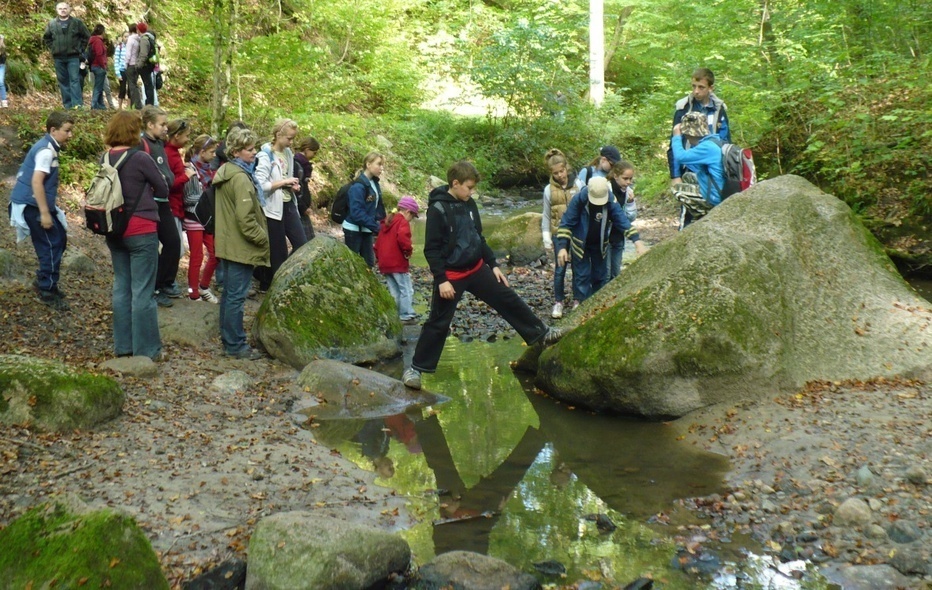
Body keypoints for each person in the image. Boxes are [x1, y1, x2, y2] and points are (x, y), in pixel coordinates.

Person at [402, 161, 563, 390]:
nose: (472, 192)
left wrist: (493, 264)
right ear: (455, 183)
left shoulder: (469, 205)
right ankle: (415, 369)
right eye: (469, 187)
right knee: (438, 322)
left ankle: (541, 334)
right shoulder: (438, 210)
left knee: (507, 297)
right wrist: (441, 280)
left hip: (477, 268)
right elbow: (431, 250)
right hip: (451, 276)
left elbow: (479, 238)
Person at [102, 111, 168, 360]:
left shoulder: (105, 157)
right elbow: (163, 186)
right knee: (143, 291)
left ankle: (123, 347)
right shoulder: (140, 157)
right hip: (141, 230)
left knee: (121, 287)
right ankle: (147, 351)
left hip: (114, 230)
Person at [213, 127, 269, 359]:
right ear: (236, 152)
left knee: (229, 294)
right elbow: (245, 219)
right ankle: (235, 345)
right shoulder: (241, 178)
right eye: (250, 149)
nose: (254, 153)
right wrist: (263, 237)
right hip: (239, 246)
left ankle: (229, 340)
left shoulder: (226, 171)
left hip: (228, 243)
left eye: (254, 148)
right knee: (236, 296)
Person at [8, 111, 74, 310]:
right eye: (67, 131)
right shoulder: (46, 151)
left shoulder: (50, 147)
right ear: (53, 130)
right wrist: (45, 213)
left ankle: (46, 280)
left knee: (59, 238)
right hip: (32, 205)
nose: (70, 135)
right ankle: (47, 289)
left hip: (38, 203)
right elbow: (37, 181)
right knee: (51, 244)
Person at [555, 176, 648, 302]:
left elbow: (622, 221)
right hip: (580, 244)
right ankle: (581, 304)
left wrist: (637, 241)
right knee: (582, 276)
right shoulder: (578, 200)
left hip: (599, 244)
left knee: (600, 275)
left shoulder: (610, 201)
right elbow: (566, 223)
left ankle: (596, 304)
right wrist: (562, 247)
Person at [254, 119, 302, 291]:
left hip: (288, 204)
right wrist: (283, 182)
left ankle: (282, 275)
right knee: (278, 251)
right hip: (272, 208)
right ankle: (272, 284)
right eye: (289, 138)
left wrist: (292, 185)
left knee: (301, 243)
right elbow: (260, 185)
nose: (291, 142)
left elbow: (286, 177)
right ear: (278, 135)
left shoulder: (288, 153)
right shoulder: (265, 155)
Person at [139, 105, 179, 306]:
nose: (166, 128)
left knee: (173, 242)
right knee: (152, 247)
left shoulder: (159, 144)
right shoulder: (141, 144)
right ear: (150, 124)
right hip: (150, 204)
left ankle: (165, 282)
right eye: (162, 124)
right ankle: (154, 288)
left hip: (164, 202)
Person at [667, 67, 730, 185]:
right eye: (694, 86)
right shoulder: (683, 108)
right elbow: (675, 143)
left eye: (701, 87)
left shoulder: (719, 109)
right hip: (689, 167)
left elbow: (725, 140)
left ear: (711, 88)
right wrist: (675, 175)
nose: (696, 91)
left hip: (713, 170)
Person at [540, 148, 582, 319]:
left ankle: (578, 299)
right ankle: (558, 302)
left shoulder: (579, 185)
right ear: (551, 173)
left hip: (578, 232)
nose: (560, 175)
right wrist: (546, 236)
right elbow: (546, 214)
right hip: (559, 234)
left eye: (562, 171)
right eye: (556, 173)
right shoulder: (548, 190)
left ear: (567, 168)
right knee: (560, 268)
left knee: (579, 267)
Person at [671, 112, 725, 230]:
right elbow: (692, 163)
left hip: (714, 197)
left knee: (677, 188)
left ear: (690, 134)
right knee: (688, 176)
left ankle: (703, 215)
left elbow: (680, 157)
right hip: (721, 189)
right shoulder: (714, 141)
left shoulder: (706, 148)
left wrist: (676, 136)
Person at [164, 119, 200, 294]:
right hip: (171, 206)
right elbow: (168, 183)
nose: (187, 140)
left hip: (176, 206)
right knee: (174, 248)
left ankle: (167, 282)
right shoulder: (167, 154)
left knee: (176, 248)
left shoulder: (174, 152)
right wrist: (186, 176)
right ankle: (165, 283)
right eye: (186, 136)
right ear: (176, 135)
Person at [183, 134, 219, 303]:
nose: (214, 155)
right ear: (202, 151)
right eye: (211, 152)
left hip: (208, 218)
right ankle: (193, 292)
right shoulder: (190, 169)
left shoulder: (209, 169)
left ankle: (204, 287)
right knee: (197, 256)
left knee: (215, 254)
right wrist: (207, 197)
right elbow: (188, 198)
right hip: (194, 217)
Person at [374, 196, 419, 324]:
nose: (411, 220)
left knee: (394, 290)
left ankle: (396, 314)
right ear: (407, 212)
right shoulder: (402, 222)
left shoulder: (387, 222)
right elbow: (403, 240)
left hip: (385, 263)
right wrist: (408, 251)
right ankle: (406, 315)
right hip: (397, 262)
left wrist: (379, 258)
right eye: (412, 216)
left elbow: (377, 244)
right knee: (406, 289)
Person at [42, 2, 90, 109]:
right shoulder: (52, 24)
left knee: (75, 80)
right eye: (60, 8)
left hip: (73, 57)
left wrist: (80, 49)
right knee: (63, 81)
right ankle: (67, 106)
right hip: (58, 57)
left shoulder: (77, 23)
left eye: (65, 8)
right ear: (56, 10)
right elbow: (46, 38)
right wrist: (53, 47)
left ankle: (77, 105)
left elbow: (86, 36)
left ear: (69, 10)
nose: (63, 10)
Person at [343, 152, 386, 268]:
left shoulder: (374, 183)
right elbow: (357, 213)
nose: (381, 168)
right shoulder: (359, 186)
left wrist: (384, 223)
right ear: (368, 164)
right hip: (353, 230)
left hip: (366, 229)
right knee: (353, 265)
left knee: (369, 264)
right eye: (379, 164)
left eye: (382, 165)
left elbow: (378, 207)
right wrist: (377, 227)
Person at [605, 160, 638, 280]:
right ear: (615, 176)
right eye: (625, 178)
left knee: (616, 272)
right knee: (606, 272)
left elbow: (631, 218)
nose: (628, 182)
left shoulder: (628, 192)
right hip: (605, 237)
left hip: (618, 236)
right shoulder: (606, 189)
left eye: (630, 179)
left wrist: (630, 203)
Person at [294, 136, 320, 241]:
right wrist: (303, 207)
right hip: (299, 209)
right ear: (307, 150)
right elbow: (296, 189)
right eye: (314, 152)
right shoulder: (297, 165)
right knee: (304, 243)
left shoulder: (305, 166)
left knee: (309, 240)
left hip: (302, 208)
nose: (315, 155)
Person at [87, 24, 107, 110]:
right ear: (102, 32)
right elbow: (99, 54)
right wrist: (103, 66)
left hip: (94, 66)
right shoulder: (98, 41)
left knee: (100, 86)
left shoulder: (93, 40)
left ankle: (101, 105)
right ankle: (94, 105)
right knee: (98, 87)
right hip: (98, 66)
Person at [135, 23, 157, 106]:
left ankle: (149, 104)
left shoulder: (144, 39)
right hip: (149, 65)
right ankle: (150, 103)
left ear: (139, 30)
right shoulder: (150, 38)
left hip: (145, 66)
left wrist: (138, 65)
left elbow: (143, 54)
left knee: (148, 85)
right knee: (149, 85)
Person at [124, 24, 142, 109]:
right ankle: (135, 104)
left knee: (132, 86)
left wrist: (126, 64)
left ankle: (136, 105)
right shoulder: (139, 39)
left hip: (131, 64)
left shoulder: (130, 39)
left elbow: (128, 53)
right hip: (137, 64)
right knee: (135, 85)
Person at [113, 30, 127, 109]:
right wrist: (118, 73)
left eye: (128, 36)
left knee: (130, 90)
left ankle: (129, 107)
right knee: (122, 89)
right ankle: (120, 107)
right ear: (122, 38)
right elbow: (116, 61)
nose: (127, 38)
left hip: (129, 70)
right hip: (122, 70)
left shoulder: (131, 47)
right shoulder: (120, 47)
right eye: (125, 36)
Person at [0, 34, 8, 108]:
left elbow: (4, 59)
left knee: (1, 82)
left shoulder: (3, 49)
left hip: (1, 66)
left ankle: (4, 100)